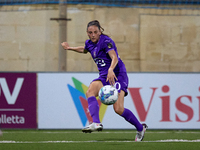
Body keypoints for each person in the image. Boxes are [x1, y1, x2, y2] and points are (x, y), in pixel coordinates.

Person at [61, 20, 147, 141]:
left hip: (117, 75)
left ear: (100, 31)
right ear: (87, 33)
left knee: (118, 109)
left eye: (95, 32)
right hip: (104, 76)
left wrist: (111, 69)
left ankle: (140, 128)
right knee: (90, 91)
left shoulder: (106, 42)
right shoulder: (89, 43)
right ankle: (96, 122)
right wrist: (69, 48)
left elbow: (114, 57)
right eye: (90, 32)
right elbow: (85, 49)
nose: (93, 35)